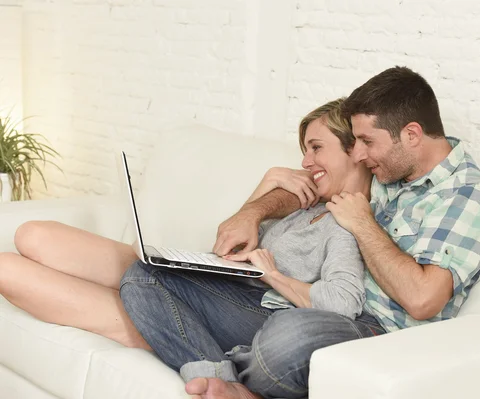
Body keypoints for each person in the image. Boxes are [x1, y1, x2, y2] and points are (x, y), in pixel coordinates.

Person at [176, 66, 480, 399]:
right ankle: (230, 381)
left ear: (411, 135)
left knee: (288, 336)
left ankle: (241, 372)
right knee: (150, 279)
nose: (358, 154)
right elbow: (309, 187)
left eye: (366, 141)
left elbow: (423, 300)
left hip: (378, 332)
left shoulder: (467, 195)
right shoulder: (391, 165)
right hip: (314, 307)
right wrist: (254, 211)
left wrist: (362, 222)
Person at [119, 98, 382, 391]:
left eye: (316, 147)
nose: (306, 162)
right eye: (305, 151)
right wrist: (268, 182)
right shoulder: (306, 206)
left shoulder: (348, 221)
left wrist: (274, 276)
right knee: (140, 275)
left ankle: (223, 383)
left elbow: (342, 301)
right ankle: (218, 379)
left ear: (354, 150)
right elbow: (233, 240)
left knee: (146, 281)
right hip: (243, 297)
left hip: (273, 313)